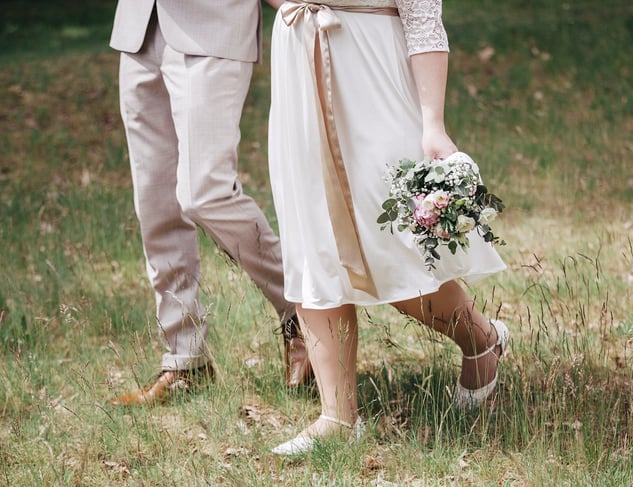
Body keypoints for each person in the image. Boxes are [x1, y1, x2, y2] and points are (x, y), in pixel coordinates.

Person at [265, 0, 509, 456]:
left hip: (371, 72)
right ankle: (336, 416)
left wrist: (433, 124)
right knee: (312, 240)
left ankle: (482, 341)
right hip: (299, 63)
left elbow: (422, 18)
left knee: (394, 245)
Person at [107, 0, 312, 407]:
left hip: (213, 24)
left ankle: (304, 306)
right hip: (140, 26)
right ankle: (186, 359)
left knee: (205, 192)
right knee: (156, 202)